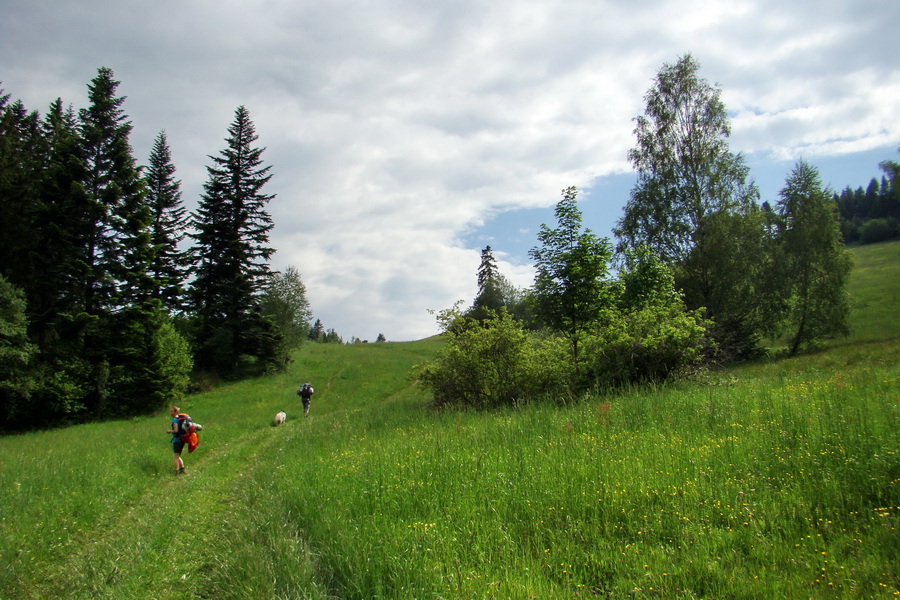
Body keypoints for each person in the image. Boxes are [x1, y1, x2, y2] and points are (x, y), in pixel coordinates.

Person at [166, 406, 187, 475]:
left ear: (175, 412)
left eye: (172, 411)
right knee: (178, 455)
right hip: (182, 439)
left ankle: (176, 472)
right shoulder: (180, 419)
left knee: (176, 457)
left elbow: (176, 430)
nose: (170, 413)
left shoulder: (175, 420)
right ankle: (182, 469)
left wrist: (169, 431)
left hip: (177, 440)